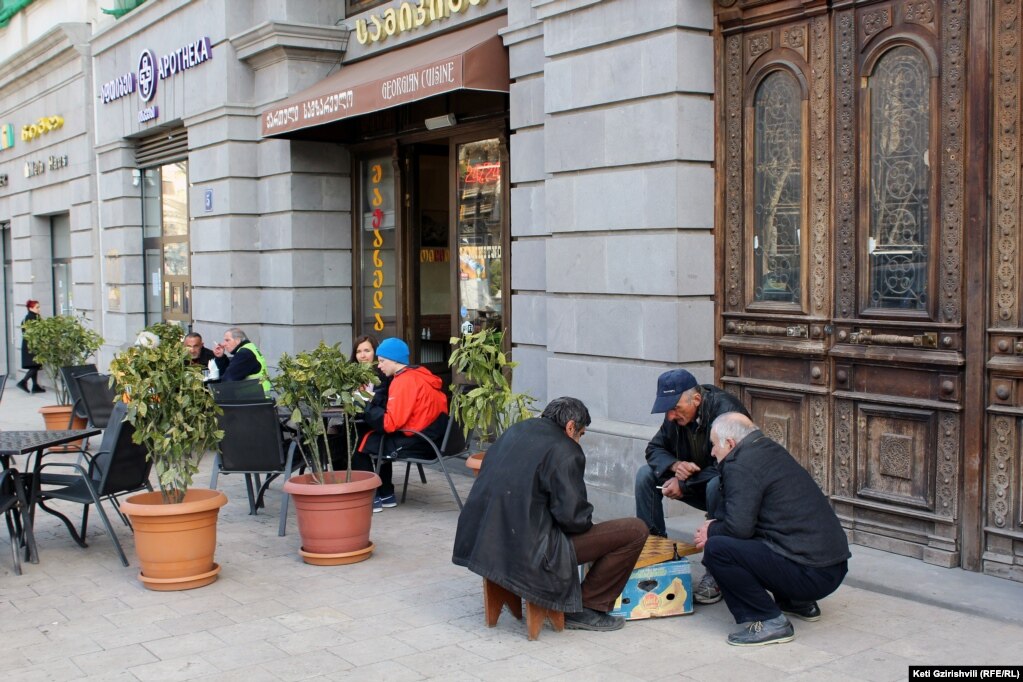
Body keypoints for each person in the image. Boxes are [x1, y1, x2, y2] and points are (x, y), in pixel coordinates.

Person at [453, 397, 648, 632]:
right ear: (570, 427)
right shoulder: (565, 449)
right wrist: (586, 517)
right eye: (581, 434)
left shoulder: (516, 431)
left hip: (484, 541)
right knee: (635, 530)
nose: (579, 441)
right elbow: (574, 520)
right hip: (532, 553)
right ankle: (586, 607)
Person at [694, 413, 850, 646]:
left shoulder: (741, 464)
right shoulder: (766, 449)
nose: (712, 452)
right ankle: (794, 601)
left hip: (811, 573)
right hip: (831, 568)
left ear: (730, 444)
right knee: (760, 534)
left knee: (718, 549)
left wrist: (712, 530)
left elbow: (739, 528)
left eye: (714, 445)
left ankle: (768, 621)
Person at [634, 368, 749, 605]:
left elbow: (733, 465)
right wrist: (675, 465)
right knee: (646, 475)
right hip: (696, 483)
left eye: (675, 408)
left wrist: (684, 483)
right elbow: (653, 449)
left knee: (716, 484)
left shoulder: (726, 412)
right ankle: (656, 551)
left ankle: (715, 571)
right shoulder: (676, 416)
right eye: (667, 409)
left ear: (696, 399)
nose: (670, 416)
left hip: (729, 490)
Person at [352, 337, 447, 512]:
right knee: (374, 438)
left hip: (419, 442)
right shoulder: (421, 374)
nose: (379, 366)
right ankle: (387, 494)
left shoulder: (403, 381)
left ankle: (371, 499)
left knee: (358, 442)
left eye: (381, 361)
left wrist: (365, 406)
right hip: (433, 439)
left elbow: (389, 424)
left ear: (393, 360)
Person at [212, 327, 271, 396]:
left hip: (251, 400)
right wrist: (220, 358)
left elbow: (228, 381)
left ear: (238, 340)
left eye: (227, 340)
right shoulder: (249, 348)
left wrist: (216, 393)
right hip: (257, 398)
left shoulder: (244, 354)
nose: (223, 344)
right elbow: (231, 372)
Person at [17, 300, 45, 393]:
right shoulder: (33, 318)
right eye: (37, 307)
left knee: (34, 365)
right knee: (35, 365)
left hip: (28, 345)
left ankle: (35, 386)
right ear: (30, 308)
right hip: (32, 345)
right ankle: (23, 382)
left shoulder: (27, 318)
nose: (39, 309)